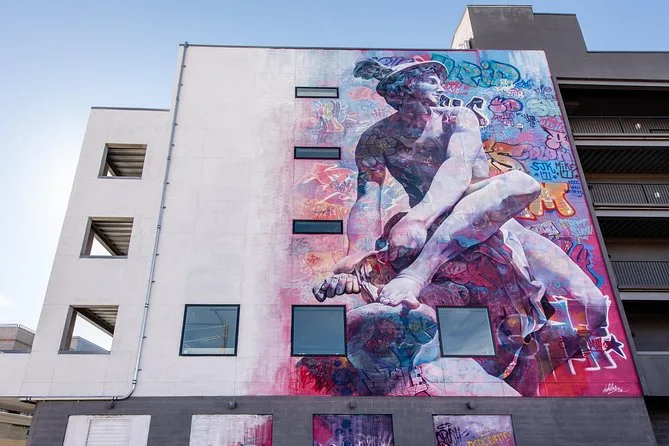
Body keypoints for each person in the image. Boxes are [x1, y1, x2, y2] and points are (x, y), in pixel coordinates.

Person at [312, 57, 609, 339]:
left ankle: (527, 352)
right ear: (406, 85)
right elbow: (367, 199)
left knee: (592, 304)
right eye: (432, 80)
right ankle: (415, 276)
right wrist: (356, 255)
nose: (441, 86)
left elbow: (458, 167)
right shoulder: (376, 139)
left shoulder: (457, 118)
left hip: (482, 214)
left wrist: (418, 218)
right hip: (430, 229)